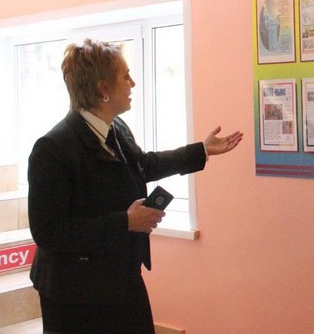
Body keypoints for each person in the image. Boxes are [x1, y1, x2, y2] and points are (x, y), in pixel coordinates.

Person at [28, 39, 243, 333]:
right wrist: (125, 222)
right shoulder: (53, 148)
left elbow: (143, 165)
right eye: (125, 76)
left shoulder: (115, 127)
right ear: (104, 89)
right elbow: (48, 232)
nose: (133, 83)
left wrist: (201, 151)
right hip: (75, 291)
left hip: (121, 275)